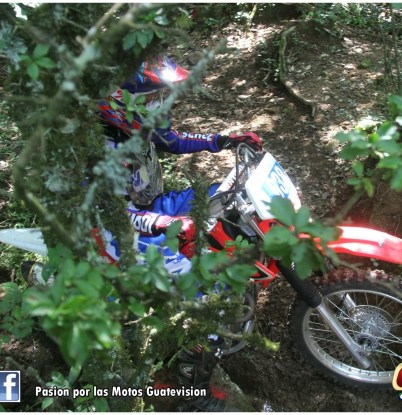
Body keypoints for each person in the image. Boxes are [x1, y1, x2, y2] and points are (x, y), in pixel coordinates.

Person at [97, 54, 261, 411]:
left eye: (161, 96)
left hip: (153, 206)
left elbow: (171, 140)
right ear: (120, 100)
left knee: (225, 196)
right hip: (121, 236)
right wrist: (164, 224)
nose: (161, 104)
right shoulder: (98, 151)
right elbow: (115, 215)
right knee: (207, 283)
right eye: (152, 98)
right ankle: (192, 383)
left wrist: (223, 140)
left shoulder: (136, 128)